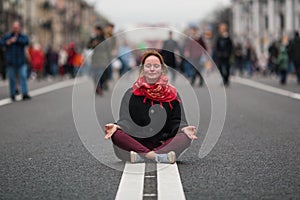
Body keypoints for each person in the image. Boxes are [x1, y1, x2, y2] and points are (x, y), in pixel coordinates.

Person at [104, 50, 197, 164]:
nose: (152, 69)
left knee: (185, 136)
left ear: (162, 69)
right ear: (143, 69)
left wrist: (183, 128)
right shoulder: (130, 93)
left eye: (156, 66)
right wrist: (117, 126)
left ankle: (141, 156)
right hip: (137, 142)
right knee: (116, 134)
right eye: (148, 66)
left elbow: (176, 121)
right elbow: (126, 121)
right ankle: (157, 156)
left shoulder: (173, 94)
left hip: (163, 142)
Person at [0, 21, 31, 101]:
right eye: (14, 27)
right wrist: (9, 42)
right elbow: (2, 43)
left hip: (21, 61)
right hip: (11, 61)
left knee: (23, 76)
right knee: (12, 78)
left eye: (17, 27)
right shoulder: (8, 36)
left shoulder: (22, 36)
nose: (15, 29)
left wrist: (17, 40)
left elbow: (26, 42)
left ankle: (24, 93)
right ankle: (12, 94)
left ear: (19, 28)